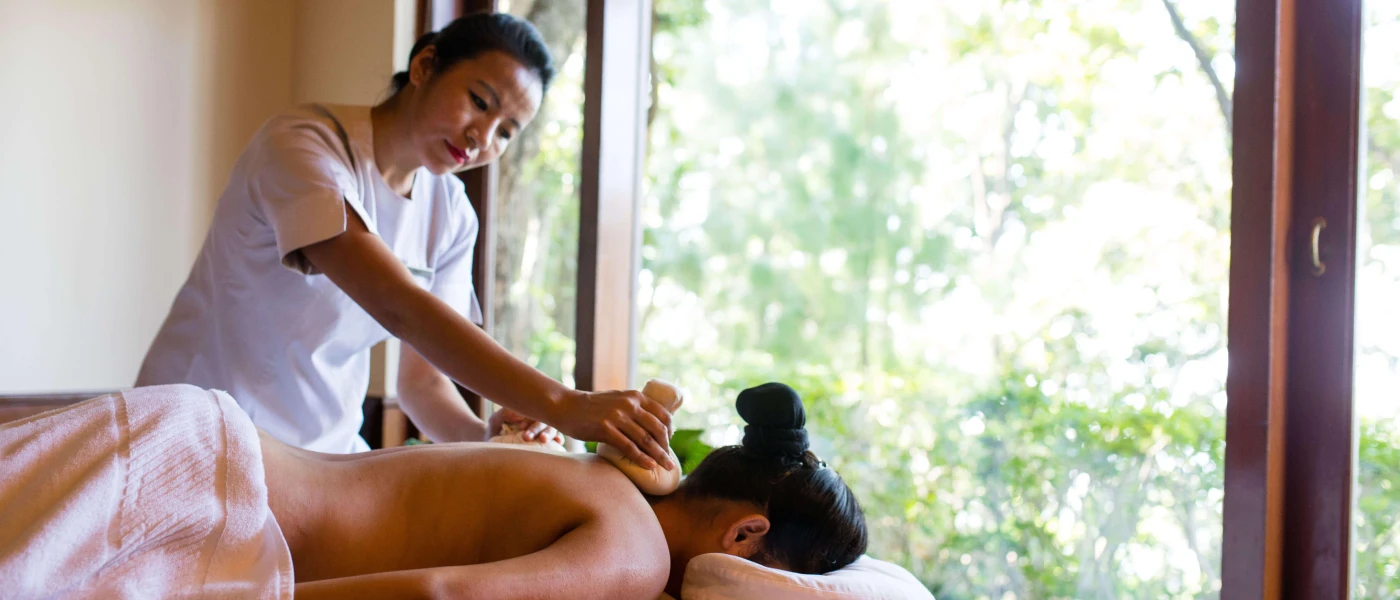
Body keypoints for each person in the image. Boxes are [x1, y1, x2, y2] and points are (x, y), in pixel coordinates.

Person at [135, 12, 672, 469]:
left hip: (322, 457)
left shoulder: (452, 215)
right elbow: (400, 306)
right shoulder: (303, 147)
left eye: (507, 131)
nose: (482, 137)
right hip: (197, 436)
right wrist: (566, 404)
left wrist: (487, 436)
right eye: (479, 101)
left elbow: (423, 387)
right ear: (424, 66)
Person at [0, 382, 867, 600]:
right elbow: (442, 595)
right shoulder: (634, 553)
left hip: (197, 448)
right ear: (747, 539)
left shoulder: (606, 480)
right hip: (203, 503)